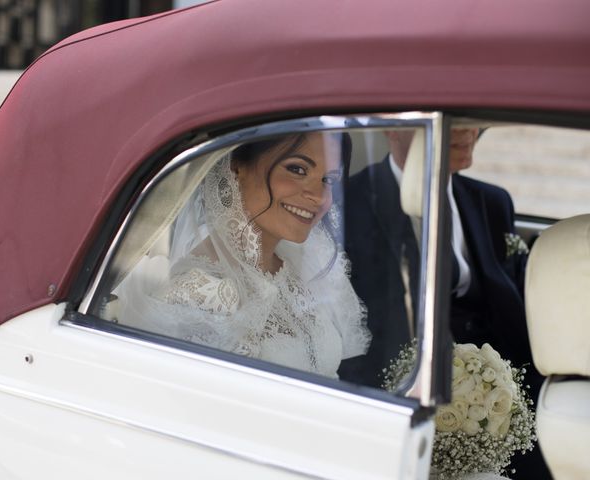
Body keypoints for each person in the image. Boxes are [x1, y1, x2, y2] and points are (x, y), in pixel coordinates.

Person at [342, 127, 549, 479]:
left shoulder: (494, 201)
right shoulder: (350, 203)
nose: (467, 130)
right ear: (393, 127)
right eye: (452, 120)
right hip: (409, 391)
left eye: (472, 120)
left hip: (511, 385)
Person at [114, 132, 371, 378]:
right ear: (237, 166)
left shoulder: (303, 270)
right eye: (297, 169)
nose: (318, 196)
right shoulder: (203, 295)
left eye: (329, 180)